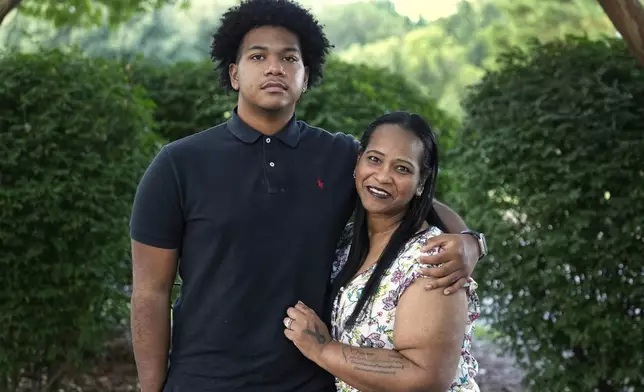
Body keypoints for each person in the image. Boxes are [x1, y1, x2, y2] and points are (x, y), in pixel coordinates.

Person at [128, 0, 487, 391]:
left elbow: (411, 199)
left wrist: (470, 243)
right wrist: (152, 387)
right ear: (234, 73)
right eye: (258, 55)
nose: (274, 67)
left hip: (309, 380)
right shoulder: (178, 165)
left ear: (305, 75)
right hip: (203, 380)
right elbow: (150, 293)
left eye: (289, 58)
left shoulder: (338, 157)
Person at [283, 112, 480, 392]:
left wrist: (323, 349)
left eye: (402, 169)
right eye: (374, 159)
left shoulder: (430, 259)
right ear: (358, 161)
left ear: (421, 182)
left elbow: (426, 378)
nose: (383, 176)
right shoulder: (347, 242)